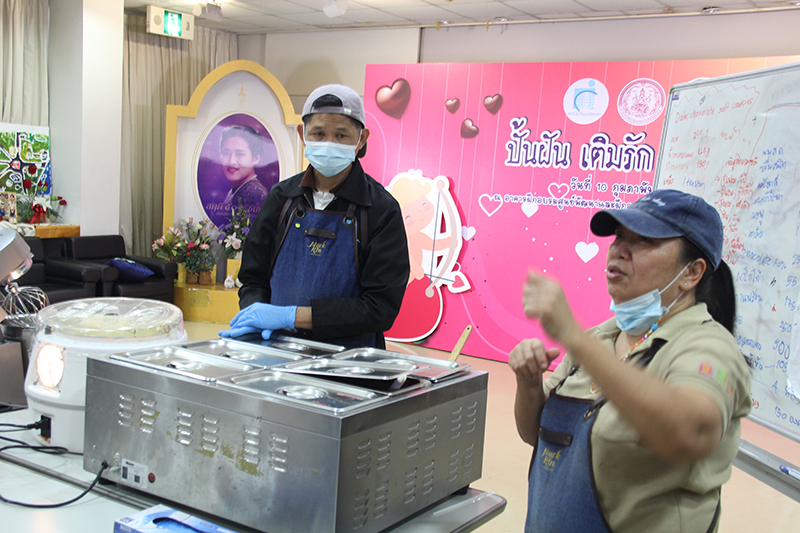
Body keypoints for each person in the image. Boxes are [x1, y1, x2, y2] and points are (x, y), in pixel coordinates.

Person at [509, 189, 751, 532]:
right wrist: (528, 382)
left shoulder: (709, 348)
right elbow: (536, 434)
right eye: (620, 236)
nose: (620, 249)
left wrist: (571, 335)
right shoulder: (598, 340)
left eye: (645, 241)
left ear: (691, 272)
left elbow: (689, 432)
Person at [221, 84, 410, 348]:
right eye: (318, 133)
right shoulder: (281, 198)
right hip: (279, 350)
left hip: (349, 361)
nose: (328, 143)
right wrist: (257, 314)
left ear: (361, 139)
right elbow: (254, 277)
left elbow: (380, 308)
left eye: (341, 135)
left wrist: (291, 316)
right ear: (302, 134)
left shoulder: (380, 210)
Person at [219, 125, 268, 220]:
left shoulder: (254, 194)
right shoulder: (238, 189)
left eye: (240, 154)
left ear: (255, 158)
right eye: (226, 153)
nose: (231, 161)